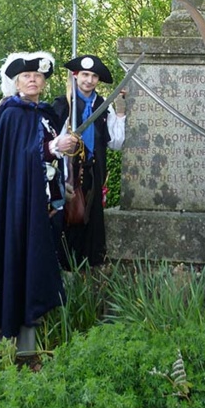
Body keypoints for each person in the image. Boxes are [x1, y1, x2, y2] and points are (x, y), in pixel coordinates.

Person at [0, 51, 78, 354]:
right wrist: (54, 146)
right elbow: (20, 158)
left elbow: (44, 154)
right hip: (15, 207)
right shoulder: (11, 113)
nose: (33, 80)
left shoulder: (42, 113)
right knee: (13, 259)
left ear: (43, 83)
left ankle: (30, 341)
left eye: (38, 76)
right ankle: (3, 342)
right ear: (16, 83)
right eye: (26, 77)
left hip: (40, 207)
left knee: (34, 262)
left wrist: (59, 148)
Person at [53, 54, 126, 266]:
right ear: (75, 75)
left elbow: (116, 143)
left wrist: (121, 113)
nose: (89, 80)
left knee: (90, 221)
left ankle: (89, 269)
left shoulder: (104, 106)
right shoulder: (62, 104)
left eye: (94, 76)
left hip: (93, 174)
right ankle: (64, 270)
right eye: (85, 74)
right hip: (67, 174)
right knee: (67, 219)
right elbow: (50, 143)